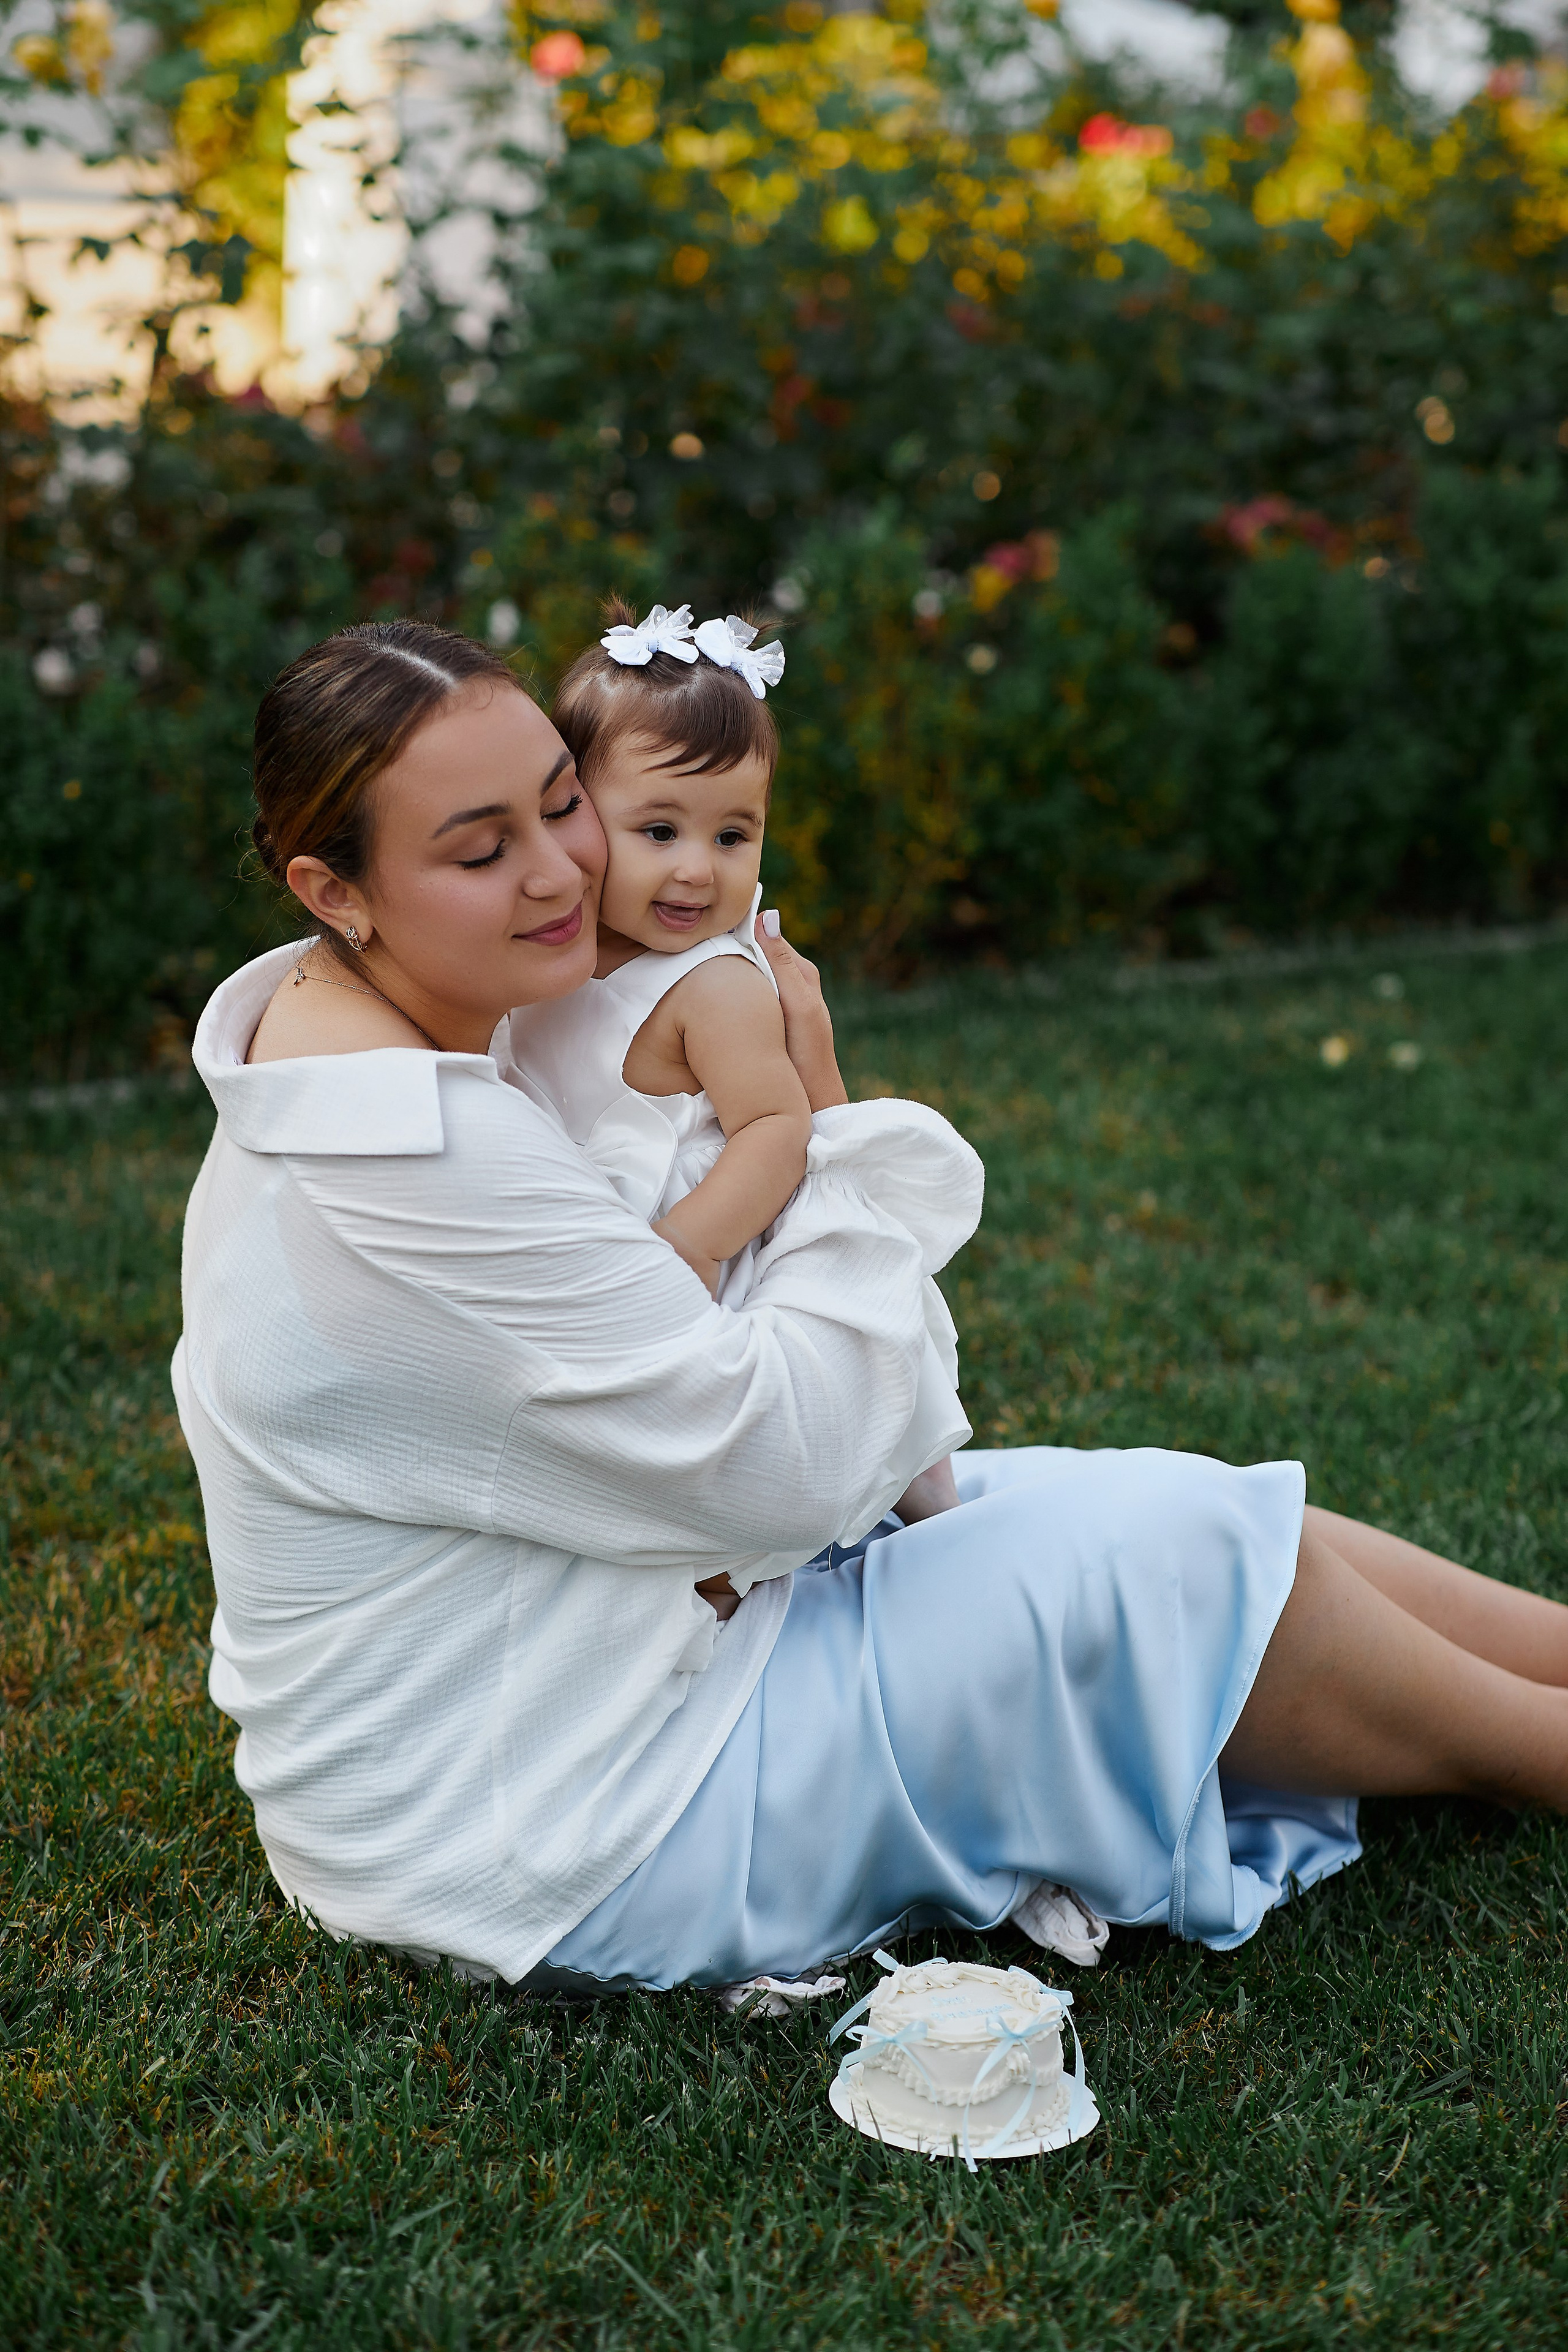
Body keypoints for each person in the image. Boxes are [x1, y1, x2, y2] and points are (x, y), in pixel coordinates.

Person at [179, 617, 1568, 1997]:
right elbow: (781, 1476)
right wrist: (827, 1117)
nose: (561, 872)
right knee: (1164, 1555)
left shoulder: (328, 1050)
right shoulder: (413, 1161)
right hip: (559, 1819)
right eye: (482, 851)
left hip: (592, 1637)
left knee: (1159, 1498)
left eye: (561, 805)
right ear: (332, 888)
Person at [508, 597, 963, 1534]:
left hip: (725, 1241)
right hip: (599, 1220)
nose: (698, 872)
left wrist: (695, 1243)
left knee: (831, 1419)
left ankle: (929, 1511)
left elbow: (776, 1126)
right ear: (581, 817)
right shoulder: (557, 949)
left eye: (733, 835)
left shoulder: (713, 984)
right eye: (659, 831)